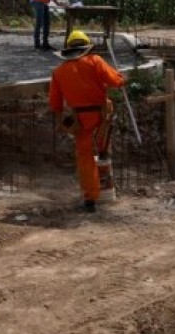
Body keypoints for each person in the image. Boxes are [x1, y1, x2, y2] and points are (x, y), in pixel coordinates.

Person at [49, 30, 126, 212]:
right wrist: (122, 78)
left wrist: (61, 122)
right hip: (100, 115)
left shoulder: (59, 72)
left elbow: (55, 104)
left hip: (79, 120)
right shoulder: (95, 61)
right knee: (102, 141)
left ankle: (90, 198)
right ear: (86, 47)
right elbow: (115, 81)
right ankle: (103, 149)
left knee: (85, 158)